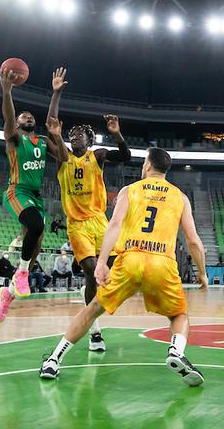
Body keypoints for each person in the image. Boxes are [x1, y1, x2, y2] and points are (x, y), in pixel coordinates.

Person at [39, 148, 208, 385]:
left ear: (148, 165)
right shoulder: (180, 197)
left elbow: (115, 225)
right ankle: (176, 352)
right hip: (162, 262)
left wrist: (101, 263)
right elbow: (193, 240)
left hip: (129, 259)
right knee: (179, 315)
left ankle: (53, 360)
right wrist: (202, 273)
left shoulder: (130, 190)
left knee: (93, 308)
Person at [26, 112, 129, 351]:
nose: (74, 138)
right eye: (71, 135)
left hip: (99, 221)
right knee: (92, 271)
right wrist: (51, 132)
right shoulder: (62, 158)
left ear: (89, 140)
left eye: (78, 135)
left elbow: (125, 155)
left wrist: (116, 133)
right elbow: (46, 134)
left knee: (116, 271)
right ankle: (95, 332)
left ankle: (89, 292)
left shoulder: (98, 156)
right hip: (77, 224)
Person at [0, 66, 64, 318]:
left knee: (35, 247)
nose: (27, 117)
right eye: (23, 116)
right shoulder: (13, 138)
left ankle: (9, 291)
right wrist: (7, 93)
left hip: (36, 196)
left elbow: (61, 149)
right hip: (17, 191)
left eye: (29, 116)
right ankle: (22, 273)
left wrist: (55, 95)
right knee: (34, 226)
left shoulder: (43, 142)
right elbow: (9, 118)